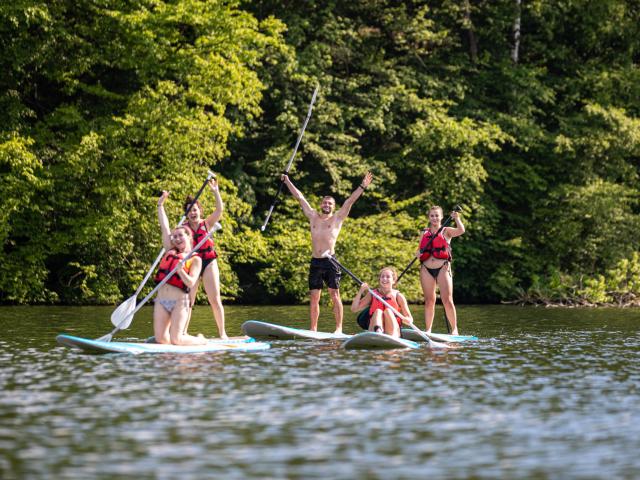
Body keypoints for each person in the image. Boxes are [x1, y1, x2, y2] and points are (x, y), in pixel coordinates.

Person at [282, 171, 374, 334]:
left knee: (334, 294)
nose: (327, 205)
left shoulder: (337, 218)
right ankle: (313, 328)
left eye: (330, 203)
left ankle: (338, 328)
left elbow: (350, 200)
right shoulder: (312, 216)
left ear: (333, 206)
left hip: (331, 261)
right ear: (321, 204)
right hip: (316, 261)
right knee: (314, 297)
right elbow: (300, 197)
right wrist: (287, 181)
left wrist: (362, 186)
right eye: (325, 203)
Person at [154, 191, 207, 345]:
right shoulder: (170, 250)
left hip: (180, 302)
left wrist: (180, 270)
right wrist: (160, 205)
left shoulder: (195, 259)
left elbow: (190, 283)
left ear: (189, 237)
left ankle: (201, 341)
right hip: (162, 300)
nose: (176, 239)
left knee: (176, 339)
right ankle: (175, 339)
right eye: (175, 236)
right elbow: (164, 227)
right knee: (161, 340)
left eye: (180, 236)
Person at [182, 179, 227, 339]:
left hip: (208, 262)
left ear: (199, 210)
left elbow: (219, 210)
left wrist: (215, 191)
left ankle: (222, 334)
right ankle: (183, 333)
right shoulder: (183, 229)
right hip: (193, 264)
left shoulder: (207, 223)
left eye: (195, 210)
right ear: (186, 214)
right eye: (189, 211)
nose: (193, 213)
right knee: (189, 300)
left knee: (214, 299)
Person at [417, 206, 465, 335]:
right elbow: (420, 249)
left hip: (443, 267)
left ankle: (454, 329)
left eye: (437, 215)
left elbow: (461, 231)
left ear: (442, 217)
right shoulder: (424, 233)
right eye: (432, 215)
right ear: (429, 217)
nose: (434, 218)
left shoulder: (446, 231)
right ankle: (428, 330)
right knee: (429, 300)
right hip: (426, 269)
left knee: (447, 300)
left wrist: (457, 219)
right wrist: (418, 253)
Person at [350, 267, 414, 338]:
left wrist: (407, 320)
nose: (384, 279)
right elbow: (354, 309)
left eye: (388, 277)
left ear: (393, 281)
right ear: (379, 279)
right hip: (374, 330)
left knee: (388, 311)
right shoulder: (372, 294)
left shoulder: (399, 296)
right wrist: (361, 291)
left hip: (393, 331)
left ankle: (392, 337)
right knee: (378, 311)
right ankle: (378, 332)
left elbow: (410, 318)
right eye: (382, 276)